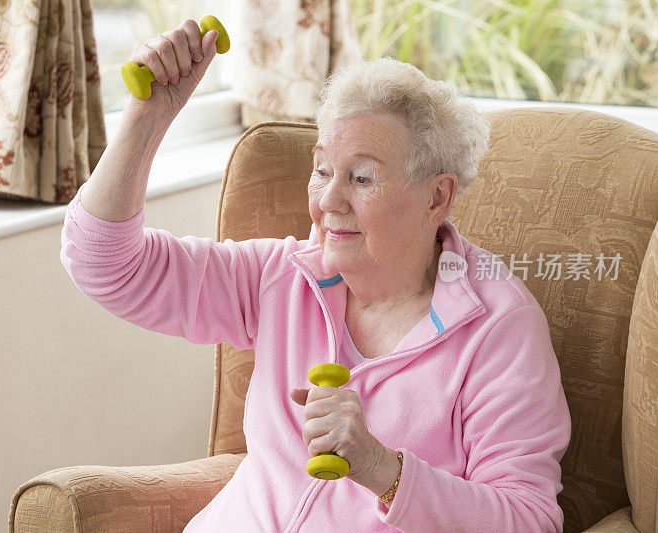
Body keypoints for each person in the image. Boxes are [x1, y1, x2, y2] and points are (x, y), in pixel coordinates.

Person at [60, 19, 572, 532]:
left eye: (362, 177)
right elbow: (105, 265)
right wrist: (147, 119)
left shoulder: (499, 327)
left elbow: (529, 520)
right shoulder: (282, 278)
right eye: (323, 170)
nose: (328, 202)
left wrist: (383, 470)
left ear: (436, 197)